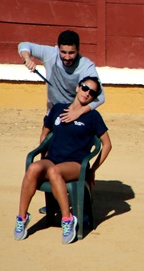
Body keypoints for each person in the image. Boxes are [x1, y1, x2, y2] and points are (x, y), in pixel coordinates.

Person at [14, 77, 112, 244]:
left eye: (92, 92)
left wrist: (92, 169)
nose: (87, 93)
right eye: (85, 88)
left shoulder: (93, 116)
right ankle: (22, 217)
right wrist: (42, 154)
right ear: (77, 87)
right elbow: (45, 132)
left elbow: (107, 145)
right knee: (33, 168)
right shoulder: (58, 109)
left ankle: (68, 219)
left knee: (54, 172)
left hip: (75, 163)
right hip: (53, 158)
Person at [18, 29, 106, 123]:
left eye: (71, 53)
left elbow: (101, 97)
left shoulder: (86, 66)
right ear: (58, 48)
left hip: (77, 116)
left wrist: (79, 112)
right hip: (53, 113)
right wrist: (27, 59)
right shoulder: (51, 54)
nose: (67, 57)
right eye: (63, 52)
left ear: (78, 50)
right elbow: (23, 45)